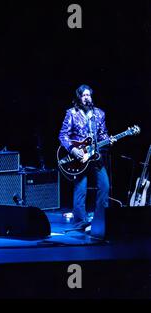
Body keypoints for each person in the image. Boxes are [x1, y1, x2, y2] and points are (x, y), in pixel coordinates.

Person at [59, 84, 113, 230]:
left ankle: (100, 219)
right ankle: (80, 222)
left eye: (88, 95)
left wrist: (109, 139)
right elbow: (63, 135)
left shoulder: (99, 114)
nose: (86, 97)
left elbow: (103, 134)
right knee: (80, 189)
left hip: (95, 156)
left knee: (104, 186)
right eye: (83, 95)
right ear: (79, 98)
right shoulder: (72, 113)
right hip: (79, 158)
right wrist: (72, 149)